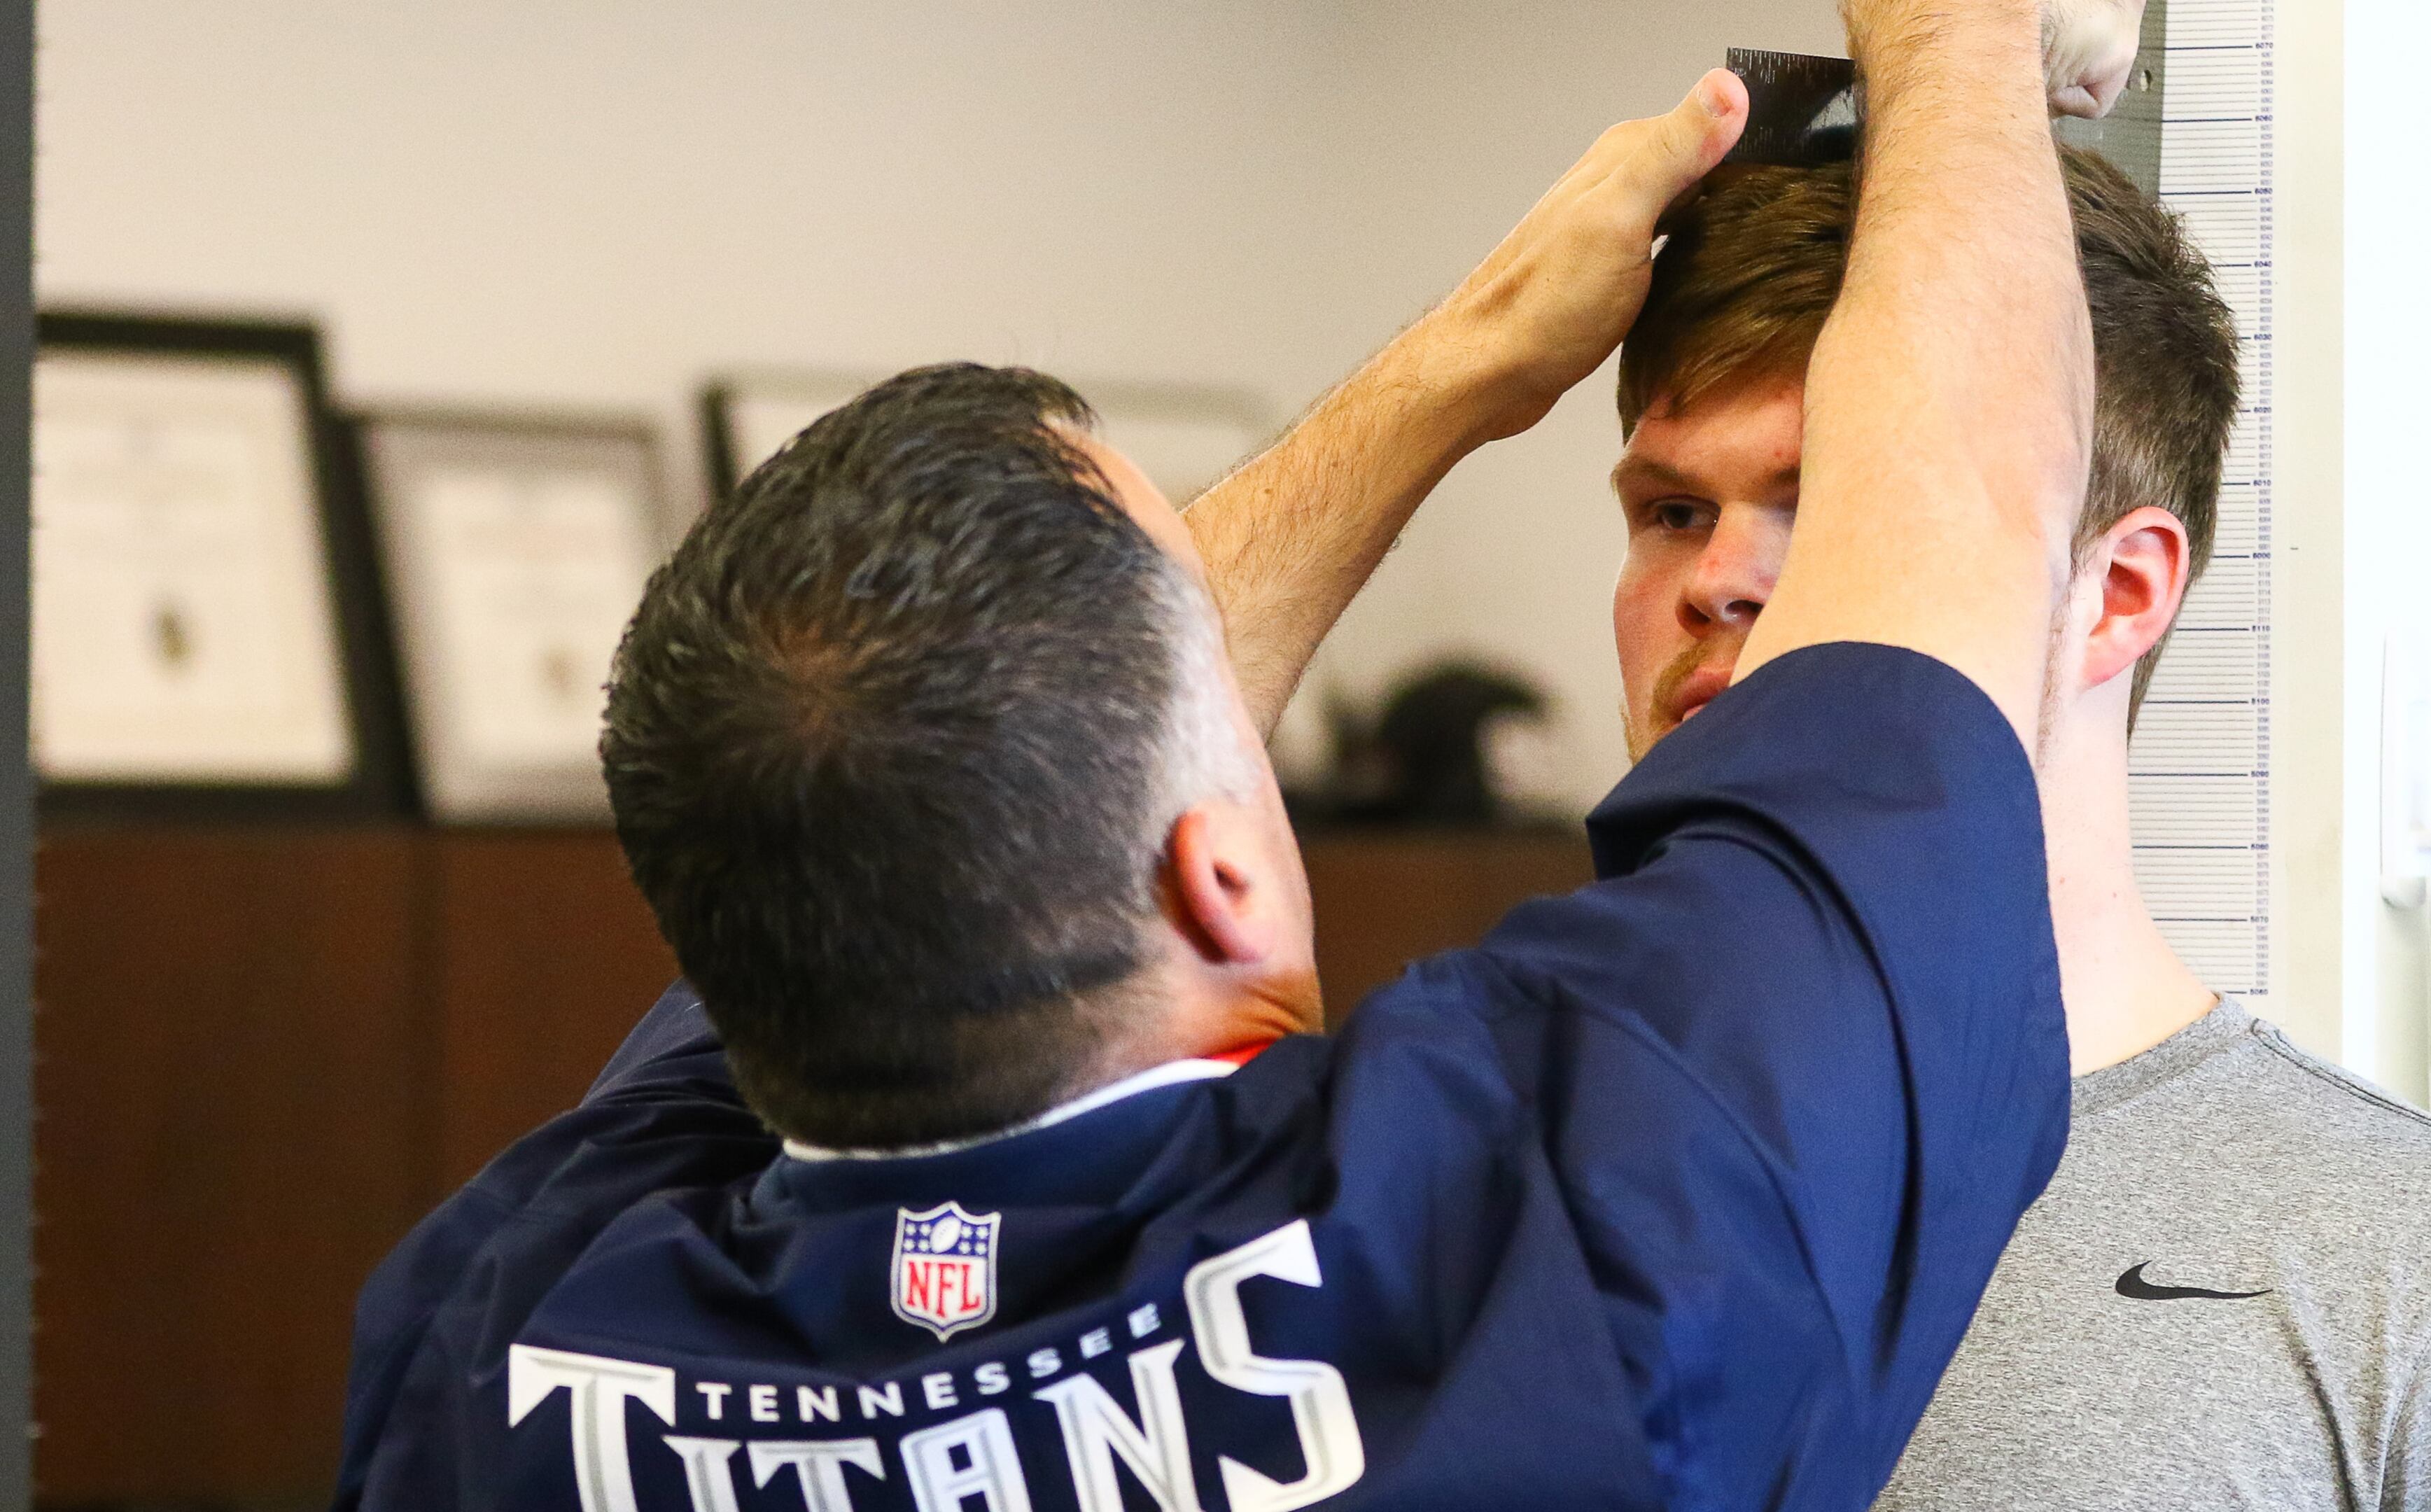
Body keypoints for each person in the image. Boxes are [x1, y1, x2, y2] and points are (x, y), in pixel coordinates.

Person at [334, 3, 2149, 1508]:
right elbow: (1949, 562)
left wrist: (1474, 354)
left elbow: (971, 769)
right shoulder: (1544, 1241)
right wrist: (1952, 38)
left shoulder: (502, 1342)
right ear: (1218, 870)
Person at [1575, 147, 2431, 1507]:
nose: (1714, 583)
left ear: (2115, 596)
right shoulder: (1502, 1170)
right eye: (1673, 511)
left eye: (1835, 507)